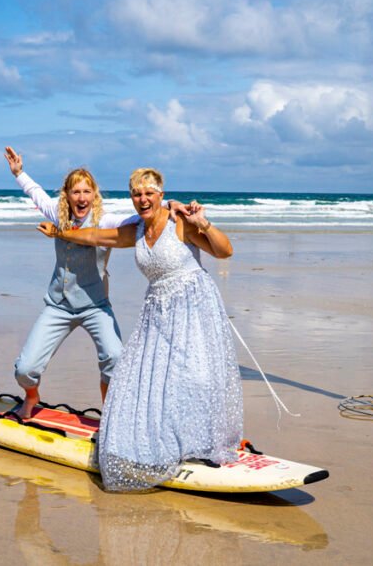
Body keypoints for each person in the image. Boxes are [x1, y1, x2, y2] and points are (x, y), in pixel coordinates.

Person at [38, 167, 244, 492]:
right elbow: (94, 236)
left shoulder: (180, 223)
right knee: (148, 378)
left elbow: (224, 250)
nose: (143, 198)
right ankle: (163, 441)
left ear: (161, 194)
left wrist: (204, 224)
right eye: (137, 193)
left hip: (193, 306)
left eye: (149, 192)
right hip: (158, 310)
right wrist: (60, 234)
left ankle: (202, 443)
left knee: (195, 375)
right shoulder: (134, 231)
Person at [5, 148, 184, 420]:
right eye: (75, 192)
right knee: (24, 369)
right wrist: (19, 173)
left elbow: (144, 214)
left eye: (87, 192)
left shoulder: (106, 221)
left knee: (115, 359)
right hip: (58, 305)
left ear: (94, 195)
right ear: (67, 195)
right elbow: (36, 193)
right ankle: (32, 396)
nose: (81, 197)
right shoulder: (58, 214)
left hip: (95, 306)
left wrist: (169, 204)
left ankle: (110, 416)